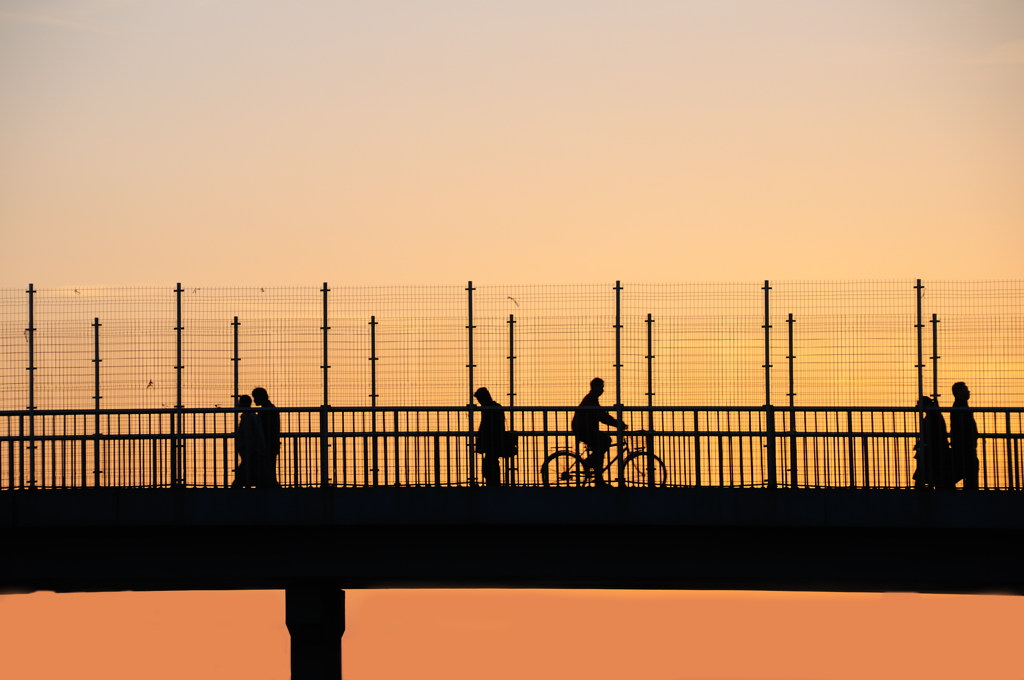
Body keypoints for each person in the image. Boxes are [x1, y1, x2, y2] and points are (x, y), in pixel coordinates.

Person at [571, 377, 627, 486]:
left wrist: (616, 423)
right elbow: (602, 416)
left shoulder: (591, 398)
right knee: (605, 441)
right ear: (596, 387)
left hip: (583, 429)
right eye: (601, 387)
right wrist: (618, 424)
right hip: (583, 430)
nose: (603, 390)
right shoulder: (591, 400)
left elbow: (601, 415)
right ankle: (589, 463)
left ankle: (598, 477)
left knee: (601, 447)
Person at [913, 396, 957, 490]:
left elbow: (931, 434)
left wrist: (922, 444)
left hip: (934, 452)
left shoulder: (931, 417)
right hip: (937, 451)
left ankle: (919, 492)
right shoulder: (935, 415)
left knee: (925, 474)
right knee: (939, 478)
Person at [473, 387, 507, 487]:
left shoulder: (489, 409)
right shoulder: (495, 407)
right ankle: (494, 483)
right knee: (492, 463)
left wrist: (481, 439)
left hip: (492, 441)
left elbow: (486, 426)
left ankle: (492, 484)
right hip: (495, 440)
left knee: (490, 464)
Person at [231, 395, 265, 488]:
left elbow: (248, 434)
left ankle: (236, 490)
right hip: (253, 450)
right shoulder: (253, 415)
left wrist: (243, 446)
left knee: (243, 473)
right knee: (250, 471)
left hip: (250, 450)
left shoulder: (247, 417)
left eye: (239, 402)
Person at [950, 381, 979, 490]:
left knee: (964, 469)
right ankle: (971, 492)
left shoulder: (960, 405)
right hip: (964, 445)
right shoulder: (960, 406)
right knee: (970, 468)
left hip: (964, 445)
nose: (968, 391)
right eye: (966, 389)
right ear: (959, 392)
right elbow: (962, 426)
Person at [252, 387, 281, 488]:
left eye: (255, 397)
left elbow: (265, 428)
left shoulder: (266, 410)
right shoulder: (270, 408)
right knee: (269, 470)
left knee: (267, 470)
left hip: (267, 445)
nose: (254, 400)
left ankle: (272, 488)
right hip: (271, 444)